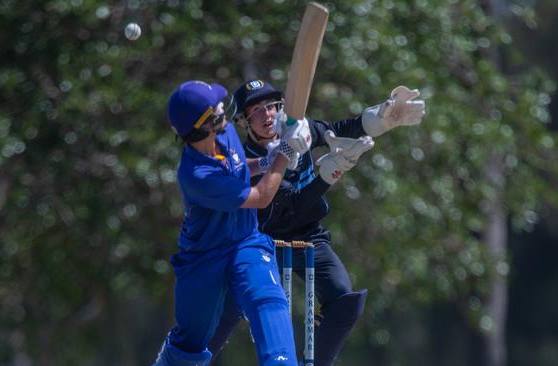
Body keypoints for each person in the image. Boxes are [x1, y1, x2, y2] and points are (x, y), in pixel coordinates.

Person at [207, 79, 425, 365]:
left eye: (271, 106)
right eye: (256, 111)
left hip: (308, 236)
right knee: (225, 313)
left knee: (345, 301)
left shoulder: (299, 130)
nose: (267, 115)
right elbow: (295, 203)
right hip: (261, 242)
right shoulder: (247, 160)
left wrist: (382, 119)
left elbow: (341, 130)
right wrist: (330, 174)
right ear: (244, 122)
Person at [153, 80, 323, 366]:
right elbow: (260, 196)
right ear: (202, 125)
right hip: (204, 258)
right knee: (191, 343)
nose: (223, 108)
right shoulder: (196, 175)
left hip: (246, 240)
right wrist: (285, 152)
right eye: (215, 108)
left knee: (268, 299)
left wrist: (267, 161)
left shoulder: (227, 132)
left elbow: (237, 164)